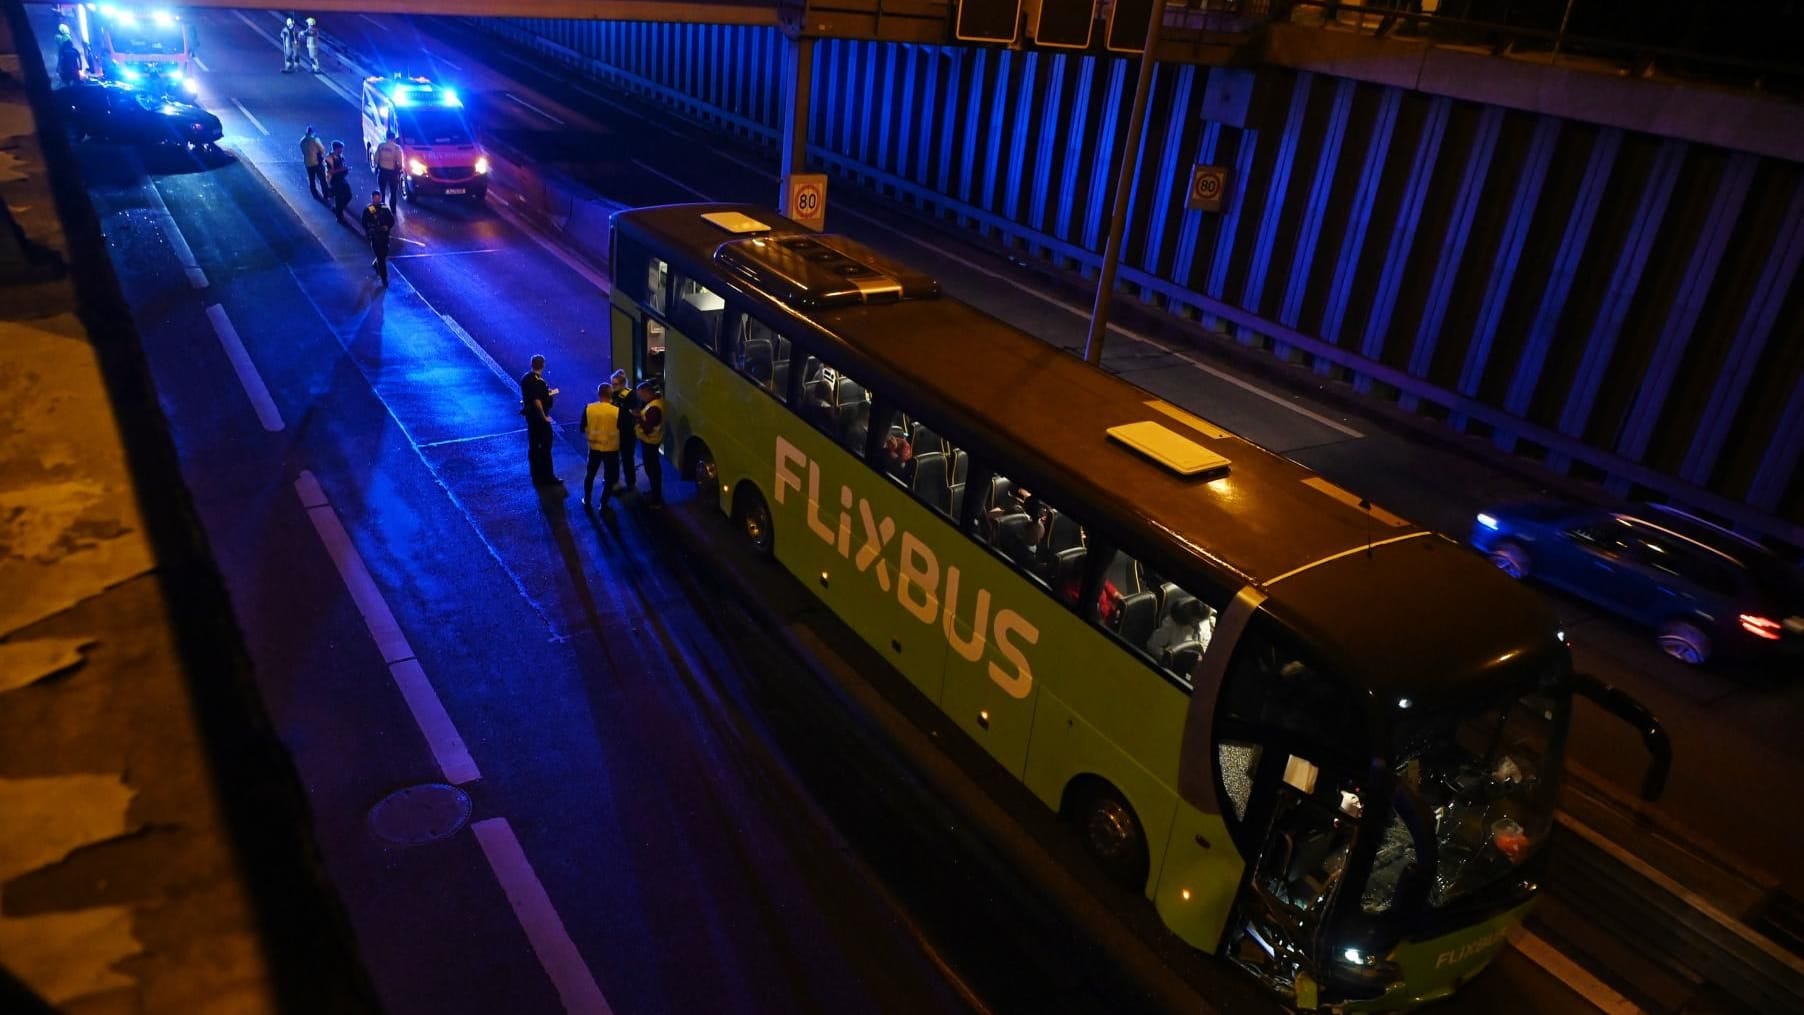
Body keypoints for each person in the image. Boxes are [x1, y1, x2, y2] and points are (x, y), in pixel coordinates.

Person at [578, 382, 622, 513]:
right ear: (611, 395)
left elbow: (582, 427)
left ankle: (587, 499)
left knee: (590, 475)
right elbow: (623, 429)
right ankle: (603, 504)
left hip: (594, 447)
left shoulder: (589, 408)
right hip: (611, 449)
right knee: (609, 478)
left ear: (599, 394)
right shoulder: (617, 411)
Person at [520, 355, 560, 486]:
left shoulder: (526, 378)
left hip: (531, 419)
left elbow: (530, 396)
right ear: (542, 365)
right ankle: (548, 476)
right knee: (546, 447)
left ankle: (535, 474)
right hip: (540, 420)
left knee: (533, 446)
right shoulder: (538, 382)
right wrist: (544, 417)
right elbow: (537, 400)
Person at [1147, 597, 1215, 661]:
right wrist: (1169, 658)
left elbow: (1206, 640)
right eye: (1197, 621)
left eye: (1201, 621)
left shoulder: (1203, 619)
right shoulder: (1171, 624)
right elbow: (1152, 645)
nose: (1199, 625)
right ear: (1189, 616)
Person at [632, 379, 665, 506]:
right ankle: (654, 493)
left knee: (652, 470)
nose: (640, 398)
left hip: (650, 443)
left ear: (647, 393)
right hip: (651, 442)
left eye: (641, 395)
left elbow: (647, 428)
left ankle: (656, 499)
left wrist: (638, 416)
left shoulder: (654, 408)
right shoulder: (656, 402)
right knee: (652, 469)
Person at [608, 370, 637, 492]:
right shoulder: (613, 394)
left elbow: (632, 413)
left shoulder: (630, 395)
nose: (612, 387)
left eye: (615, 384)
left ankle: (630, 482)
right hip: (614, 431)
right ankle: (614, 481)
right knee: (613, 458)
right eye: (612, 384)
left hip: (627, 433)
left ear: (622, 384)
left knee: (627, 458)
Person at [360, 191, 395, 286]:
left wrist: (387, 226)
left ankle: (376, 264)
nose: (376, 200)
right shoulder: (368, 210)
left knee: (383, 254)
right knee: (381, 258)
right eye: (374, 198)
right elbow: (364, 223)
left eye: (378, 198)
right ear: (372, 198)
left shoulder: (384, 208)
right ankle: (384, 279)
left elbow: (391, 221)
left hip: (384, 236)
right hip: (375, 237)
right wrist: (371, 230)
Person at [373, 130, 404, 209]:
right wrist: (399, 169)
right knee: (393, 192)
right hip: (392, 173)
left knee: (382, 191)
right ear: (394, 138)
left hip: (382, 171)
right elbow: (400, 163)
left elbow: (376, 159)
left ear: (386, 137)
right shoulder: (397, 148)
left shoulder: (381, 146)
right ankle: (392, 209)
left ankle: (382, 207)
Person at [325, 141, 352, 223]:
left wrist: (345, 170)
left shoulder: (340, 157)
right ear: (336, 149)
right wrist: (342, 169)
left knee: (348, 195)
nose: (341, 151)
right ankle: (339, 217)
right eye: (340, 149)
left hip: (341, 179)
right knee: (339, 198)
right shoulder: (329, 158)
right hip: (335, 181)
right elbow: (330, 171)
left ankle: (337, 209)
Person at [299, 126, 326, 201]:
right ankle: (325, 193)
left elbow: (303, 151)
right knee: (322, 178)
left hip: (308, 163)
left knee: (312, 179)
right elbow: (322, 149)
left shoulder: (302, 141)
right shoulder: (315, 140)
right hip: (317, 162)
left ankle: (314, 194)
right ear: (313, 132)